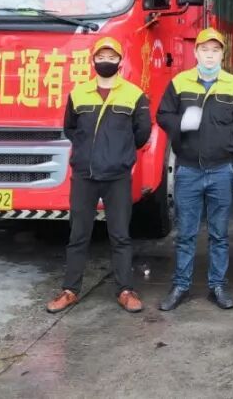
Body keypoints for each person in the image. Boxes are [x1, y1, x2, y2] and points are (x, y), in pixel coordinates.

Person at [47, 36, 151, 314]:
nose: (106, 62)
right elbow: (71, 129)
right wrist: (87, 153)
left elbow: (142, 133)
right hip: (85, 175)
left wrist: (118, 154)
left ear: (120, 61)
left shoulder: (134, 95)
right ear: (93, 61)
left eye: (111, 57)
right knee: (78, 235)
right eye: (101, 57)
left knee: (120, 235)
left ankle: (125, 290)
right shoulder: (79, 93)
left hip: (117, 176)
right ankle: (70, 290)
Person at [156, 27, 233, 311]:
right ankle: (181, 286)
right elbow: (162, 114)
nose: (210, 55)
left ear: (223, 54)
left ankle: (217, 286)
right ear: (195, 52)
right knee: (185, 233)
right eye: (205, 50)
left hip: (222, 170)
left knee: (219, 234)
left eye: (215, 50)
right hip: (188, 170)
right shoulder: (179, 82)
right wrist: (180, 123)